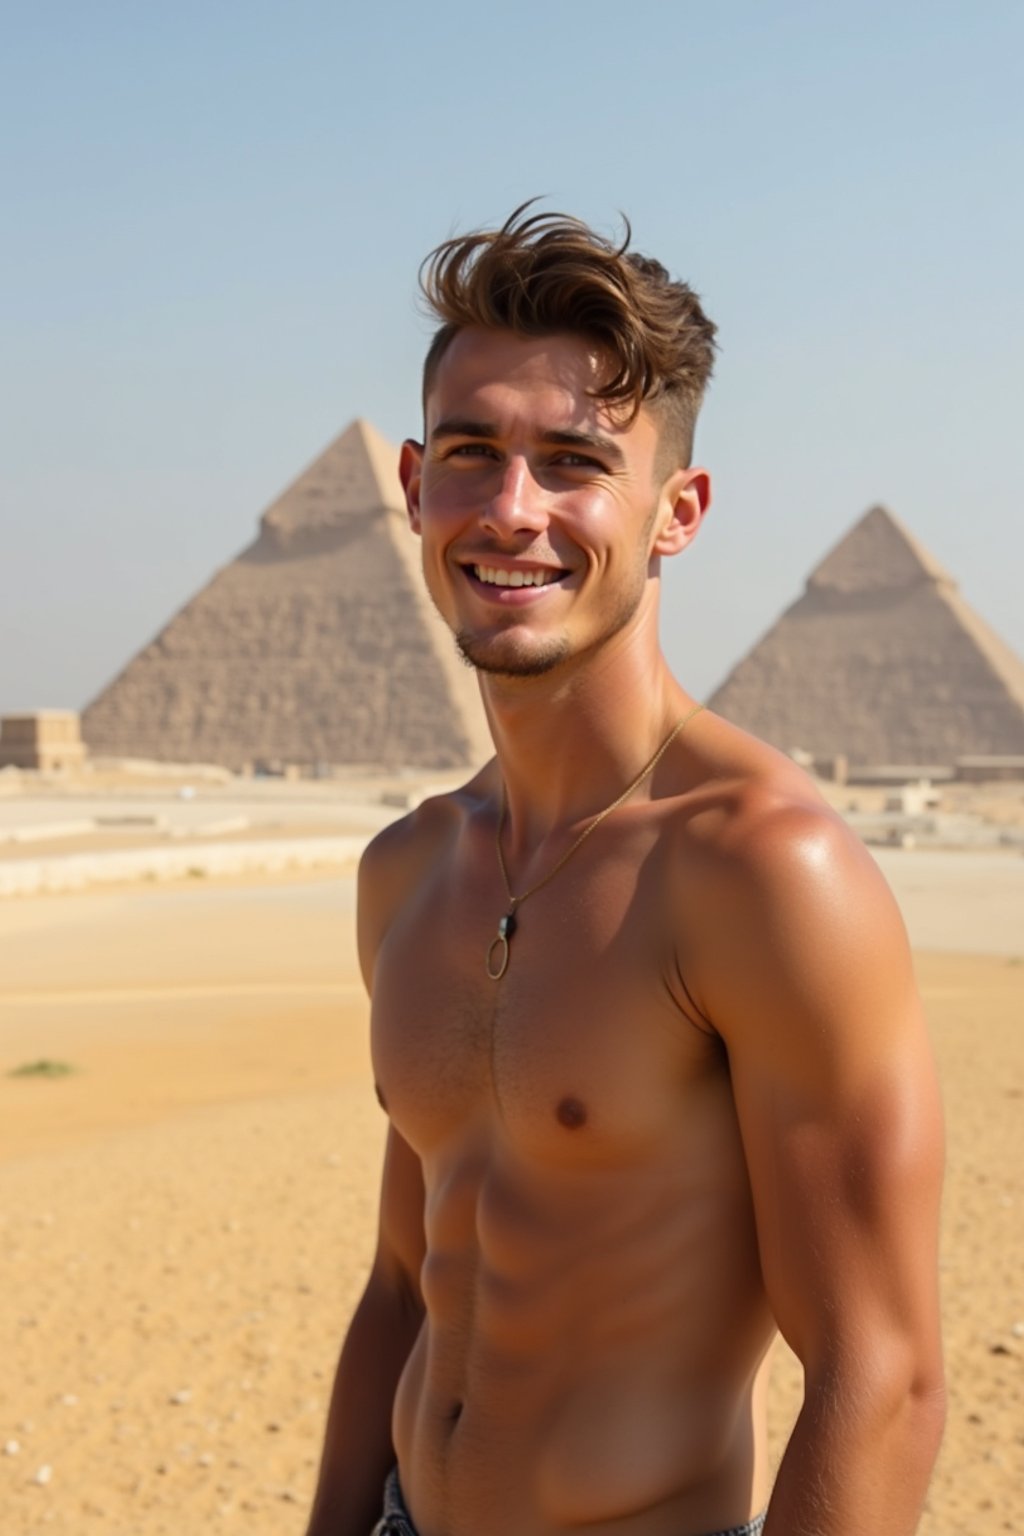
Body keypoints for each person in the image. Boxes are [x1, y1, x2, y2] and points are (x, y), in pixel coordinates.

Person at [305, 205, 945, 1536]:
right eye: (473, 454)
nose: (513, 511)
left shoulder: (763, 871)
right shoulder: (409, 871)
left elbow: (879, 1375)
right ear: (415, 484)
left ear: (677, 513)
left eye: (576, 462)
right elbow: (399, 1284)